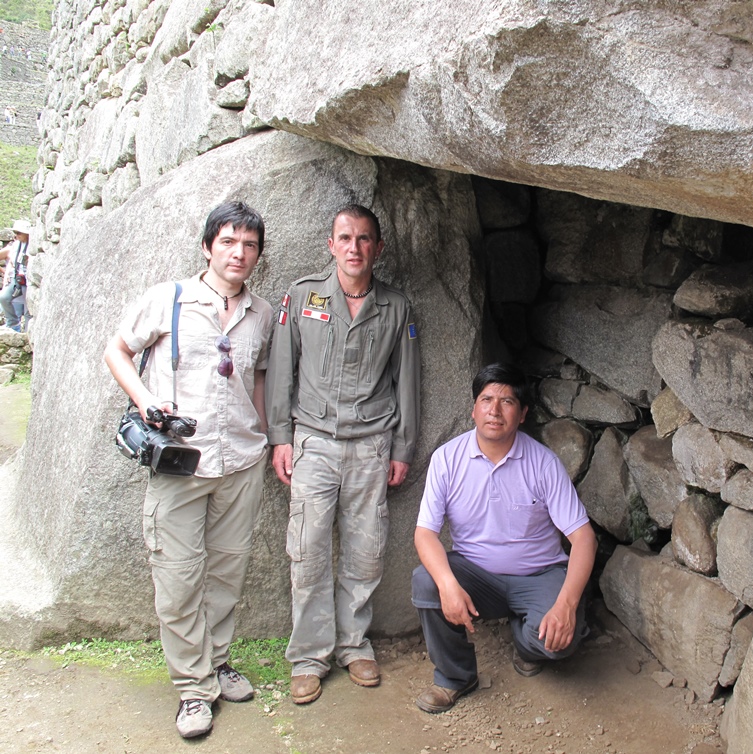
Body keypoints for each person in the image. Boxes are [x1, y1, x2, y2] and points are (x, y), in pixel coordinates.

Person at [103, 201, 273, 739]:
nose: (238, 253)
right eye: (228, 242)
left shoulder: (262, 314)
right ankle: (192, 689)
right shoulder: (169, 299)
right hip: (180, 464)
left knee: (227, 572)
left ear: (257, 256)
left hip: (242, 461)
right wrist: (147, 399)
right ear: (207, 247)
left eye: (248, 246)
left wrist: (268, 436)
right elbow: (117, 351)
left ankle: (217, 663)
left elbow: (259, 381)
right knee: (177, 580)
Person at [265, 203, 420, 704]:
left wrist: (403, 446)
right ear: (331, 245)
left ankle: (354, 644)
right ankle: (309, 655)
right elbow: (282, 369)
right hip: (312, 442)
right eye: (345, 238)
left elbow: (408, 384)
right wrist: (280, 437)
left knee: (366, 548)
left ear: (378, 247)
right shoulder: (302, 296)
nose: (354, 248)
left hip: (371, 446)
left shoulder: (396, 307)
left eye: (364, 239)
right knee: (307, 548)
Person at [411, 363, 597, 713]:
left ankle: (525, 642)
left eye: (507, 402)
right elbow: (425, 534)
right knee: (427, 581)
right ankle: (455, 677)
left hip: (539, 575)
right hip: (477, 576)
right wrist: (449, 586)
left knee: (557, 643)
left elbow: (584, 538)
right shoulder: (447, 460)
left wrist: (566, 606)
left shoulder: (543, 463)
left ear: (523, 413)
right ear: (473, 408)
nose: (494, 411)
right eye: (486, 399)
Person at [0, 219, 30, 332]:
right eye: (15, 233)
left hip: (28, 280)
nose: (16, 236)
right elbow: (12, 261)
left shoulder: (32, 246)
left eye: (19, 233)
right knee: (4, 297)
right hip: (17, 278)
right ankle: (13, 324)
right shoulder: (15, 245)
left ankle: (28, 333)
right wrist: (7, 273)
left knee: (29, 311)